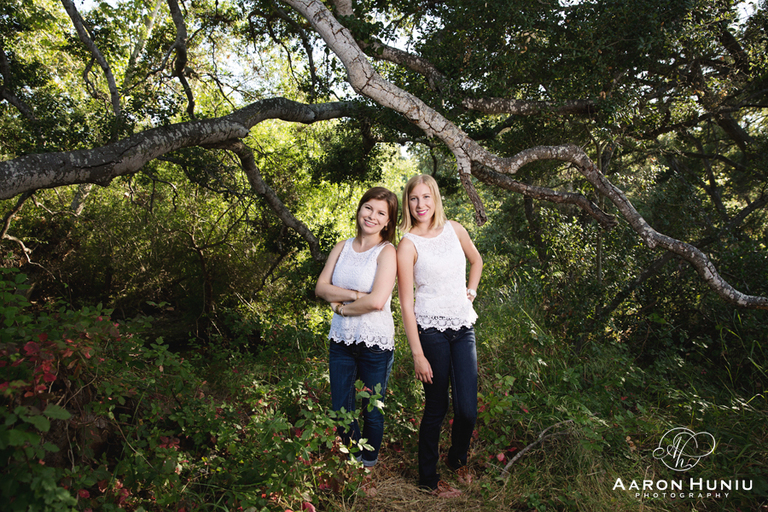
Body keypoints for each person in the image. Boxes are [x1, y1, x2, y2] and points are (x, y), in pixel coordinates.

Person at [396, 174, 483, 496]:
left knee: (467, 410)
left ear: (435, 199)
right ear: (408, 203)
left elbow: (477, 260)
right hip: (430, 330)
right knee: (436, 406)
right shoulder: (408, 244)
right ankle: (428, 479)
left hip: (462, 327)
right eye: (414, 198)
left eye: (426, 197)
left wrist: (471, 291)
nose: (420, 204)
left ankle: (457, 459)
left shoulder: (455, 229)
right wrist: (417, 354)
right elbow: (406, 304)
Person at [315, 187, 399, 468]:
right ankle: (354, 461)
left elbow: (376, 301)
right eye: (368, 208)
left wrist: (341, 308)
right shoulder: (342, 247)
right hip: (341, 340)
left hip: (375, 343)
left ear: (388, 221)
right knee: (341, 408)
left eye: (381, 213)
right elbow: (321, 288)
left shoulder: (387, 252)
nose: (372, 216)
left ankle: (369, 464)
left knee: (372, 410)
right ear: (360, 209)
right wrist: (355, 294)